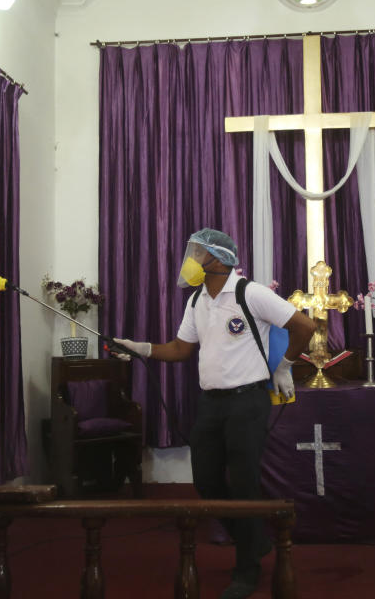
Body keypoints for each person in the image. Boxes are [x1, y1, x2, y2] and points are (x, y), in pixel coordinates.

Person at [113, 228, 315, 599]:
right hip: (211, 405)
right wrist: (139, 348)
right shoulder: (197, 301)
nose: (190, 259)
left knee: (242, 485)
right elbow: (179, 349)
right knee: (207, 482)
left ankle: (246, 571)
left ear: (219, 259)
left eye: (197, 252)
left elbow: (304, 325)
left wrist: (284, 366)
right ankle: (253, 541)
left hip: (247, 403)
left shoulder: (250, 293)